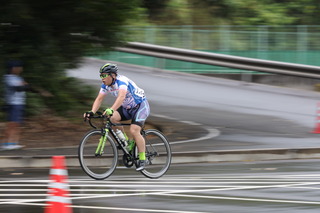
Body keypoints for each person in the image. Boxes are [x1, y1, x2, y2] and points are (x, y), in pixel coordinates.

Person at [84, 63, 150, 171]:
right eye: (101, 76)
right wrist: (92, 111)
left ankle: (143, 159)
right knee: (112, 118)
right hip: (127, 108)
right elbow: (99, 99)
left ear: (113, 75)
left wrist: (112, 109)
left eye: (104, 75)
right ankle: (125, 142)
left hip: (140, 106)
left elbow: (121, 96)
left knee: (134, 130)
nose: (102, 78)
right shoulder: (105, 85)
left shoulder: (122, 81)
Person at [1, 60, 29, 150]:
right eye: (19, 67)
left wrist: (24, 86)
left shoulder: (19, 78)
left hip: (20, 103)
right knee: (12, 124)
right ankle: (6, 144)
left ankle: (13, 143)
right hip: (13, 103)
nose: (21, 69)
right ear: (13, 68)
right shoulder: (8, 78)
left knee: (17, 124)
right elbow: (19, 88)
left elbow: (26, 87)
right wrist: (24, 86)